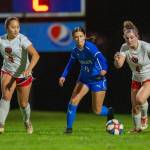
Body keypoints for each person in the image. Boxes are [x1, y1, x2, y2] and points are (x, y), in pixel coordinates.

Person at [59, 26, 114, 134]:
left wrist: (104, 69)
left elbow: (102, 59)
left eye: (80, 36)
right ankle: (69, 129)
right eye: (76, 37)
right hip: (83, 79)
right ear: (73, 39)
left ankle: (109, 112)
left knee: (97, 111)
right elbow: (70, 64)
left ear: (84, 37)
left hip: (97, 79)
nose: (78, 39)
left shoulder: (90, 48)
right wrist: (63, 76)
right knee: (73, 101)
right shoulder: (75, 51)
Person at [0, 17, 40, 134]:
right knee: (5, 97)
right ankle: (1, 124)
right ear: (7, 28)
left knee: (23, 104)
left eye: (18, 27)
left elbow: (36, 55)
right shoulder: (1, 40)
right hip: (8, 71)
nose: (16, 29)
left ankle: (27, 121)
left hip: (23, 75)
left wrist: (29, 69)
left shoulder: (22, 39)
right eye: (13, 27)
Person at [114, 20, 149, 133]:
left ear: (137, 36)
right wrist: (116, 60)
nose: (129, 40)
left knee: (139, 99)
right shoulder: (124, 47)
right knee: (134, 107)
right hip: (136, 79)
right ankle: (136, 129)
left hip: (148, 78)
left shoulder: (146, 47)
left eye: (132, 37)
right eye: (127, 38)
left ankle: (144, 118)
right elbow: (119, 65)